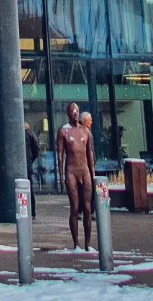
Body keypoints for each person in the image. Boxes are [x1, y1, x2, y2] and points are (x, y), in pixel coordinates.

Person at [56, 102, 96, 251]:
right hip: (71, 170)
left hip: (84, 170)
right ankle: (76, 244)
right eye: (72, 111)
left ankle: (87, 243)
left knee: (87, 208)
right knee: (74, 207)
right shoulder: (64, 132)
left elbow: (90, 153)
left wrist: (93, 174)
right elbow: (60, 155)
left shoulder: (86, 131)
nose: (74, 113)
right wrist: (60, 175)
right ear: (68, 113)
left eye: (76, 111)